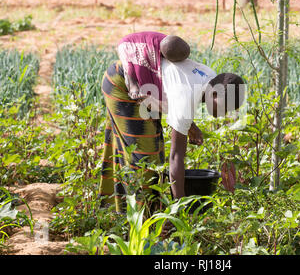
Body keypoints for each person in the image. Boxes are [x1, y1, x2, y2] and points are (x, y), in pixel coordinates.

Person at [99, 31, 245, 213]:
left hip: (144, 86)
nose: (220, 115)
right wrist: (181, 207)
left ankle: (119, 212)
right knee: (144, 158)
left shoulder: (211, 77)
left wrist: (190, 125)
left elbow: (173, 92)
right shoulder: (188, 96)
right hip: (122, 84)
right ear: (214, 94)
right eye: (223, 108)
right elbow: (176, 158)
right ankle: (138, 220)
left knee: (153, 152)